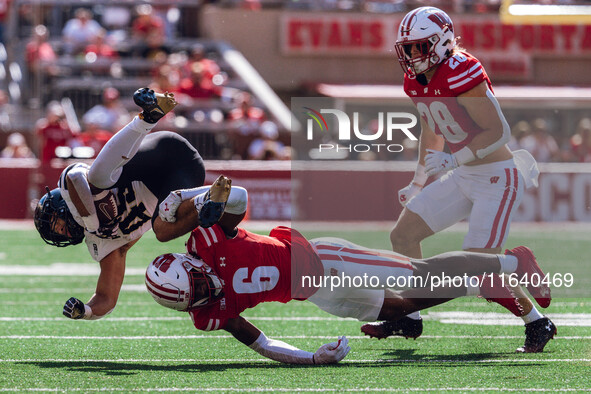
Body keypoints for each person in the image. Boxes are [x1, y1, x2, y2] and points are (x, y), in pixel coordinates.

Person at [143, 180, 553, 365]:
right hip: (317, 294)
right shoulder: (207, 314)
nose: (205, 290)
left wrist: (201, 201)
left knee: (419, 271)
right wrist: (311, 358)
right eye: (196, 295)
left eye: (198, 282)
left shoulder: (207, 242)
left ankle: (514, 261)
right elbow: (262, 344)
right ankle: (478, 283)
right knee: (398, 310)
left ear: (191, 263)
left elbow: (239, 196)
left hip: (324, 260)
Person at [377, 6, 554, 353]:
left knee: (480, 272)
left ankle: (536, 320)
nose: (412, 55)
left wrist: (454, 159)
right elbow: (431, 125)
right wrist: (418, 181)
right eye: (407, 47)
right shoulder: (416, 79)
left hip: (496, 177)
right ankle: (409, 319)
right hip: (462, 172)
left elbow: (499, 131)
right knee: (403, 235)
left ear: (441, 41)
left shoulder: (463, 69)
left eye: (419, 45)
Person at [33, 88, 207, 321]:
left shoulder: (72, 187)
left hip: (161, 155)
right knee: (162, 231)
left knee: (97, 179)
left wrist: (93, 222)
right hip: (181, 179)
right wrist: (85, 311)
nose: (64, 233)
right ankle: (208, 200)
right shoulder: (100, 243)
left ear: (60, 206)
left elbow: (75, 176)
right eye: (60, 234)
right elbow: (107, 297)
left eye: (59, 225)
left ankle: (147, 117)